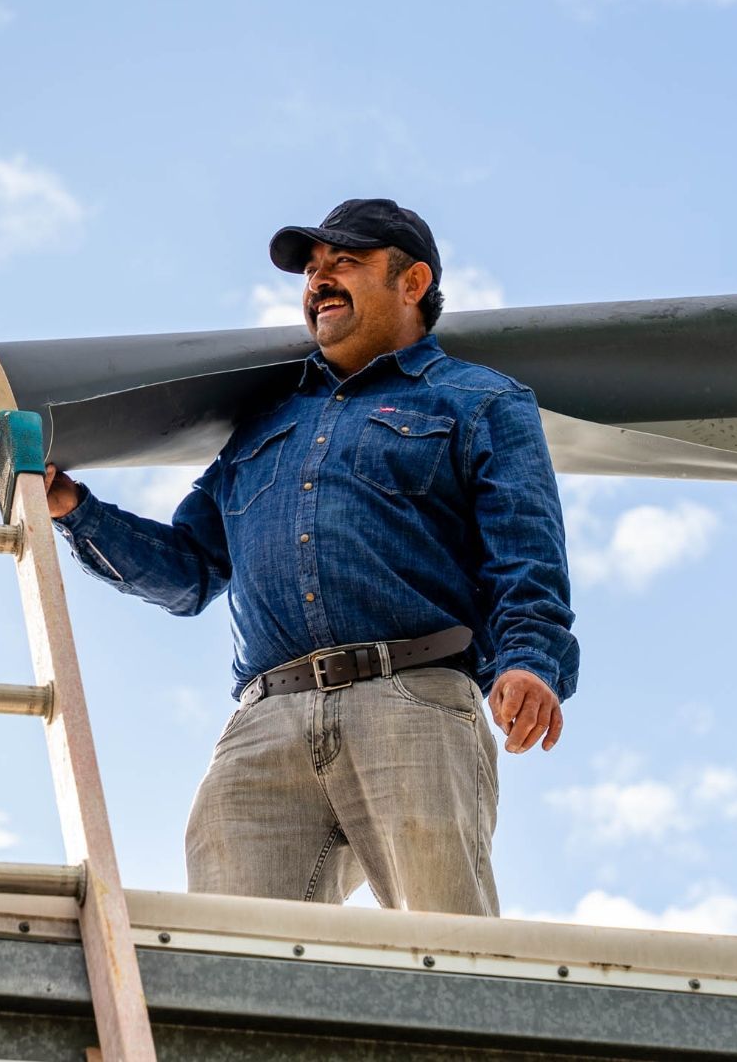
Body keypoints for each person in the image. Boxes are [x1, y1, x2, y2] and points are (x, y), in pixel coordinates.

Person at [45, 198, 579, 915]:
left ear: (413, 281)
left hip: (412, 699)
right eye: (313, 271)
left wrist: (529, 661)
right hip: (265, 718)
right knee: (231, 952)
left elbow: (526, 554)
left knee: (451, 948)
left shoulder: (481, 402)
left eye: (344, 264)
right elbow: (191, 572)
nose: (319, 282)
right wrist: (75, 512)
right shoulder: (265, 424)